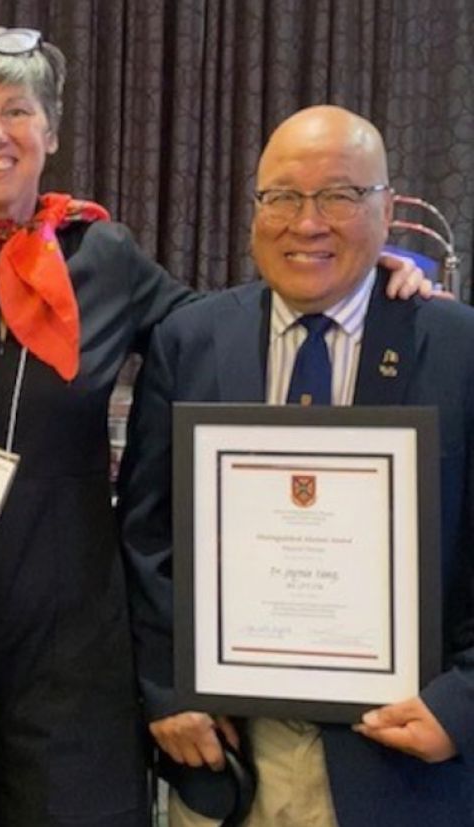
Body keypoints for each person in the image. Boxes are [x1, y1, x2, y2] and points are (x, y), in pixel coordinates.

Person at [0, 28, 435, 827]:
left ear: (50, 134)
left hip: (73, 644)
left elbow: (223, 323)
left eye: (18, 111)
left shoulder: (104, 256)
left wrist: (367, 274)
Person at [119, 105, 474, 825]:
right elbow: (145, 532)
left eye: (340, 196)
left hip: (401, 764)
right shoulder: (190, 339)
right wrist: (168, 686)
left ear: (387, 208)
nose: (306, 223)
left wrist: (463, 705)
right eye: (281, 196)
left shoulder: (459, 348)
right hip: (226, 761)